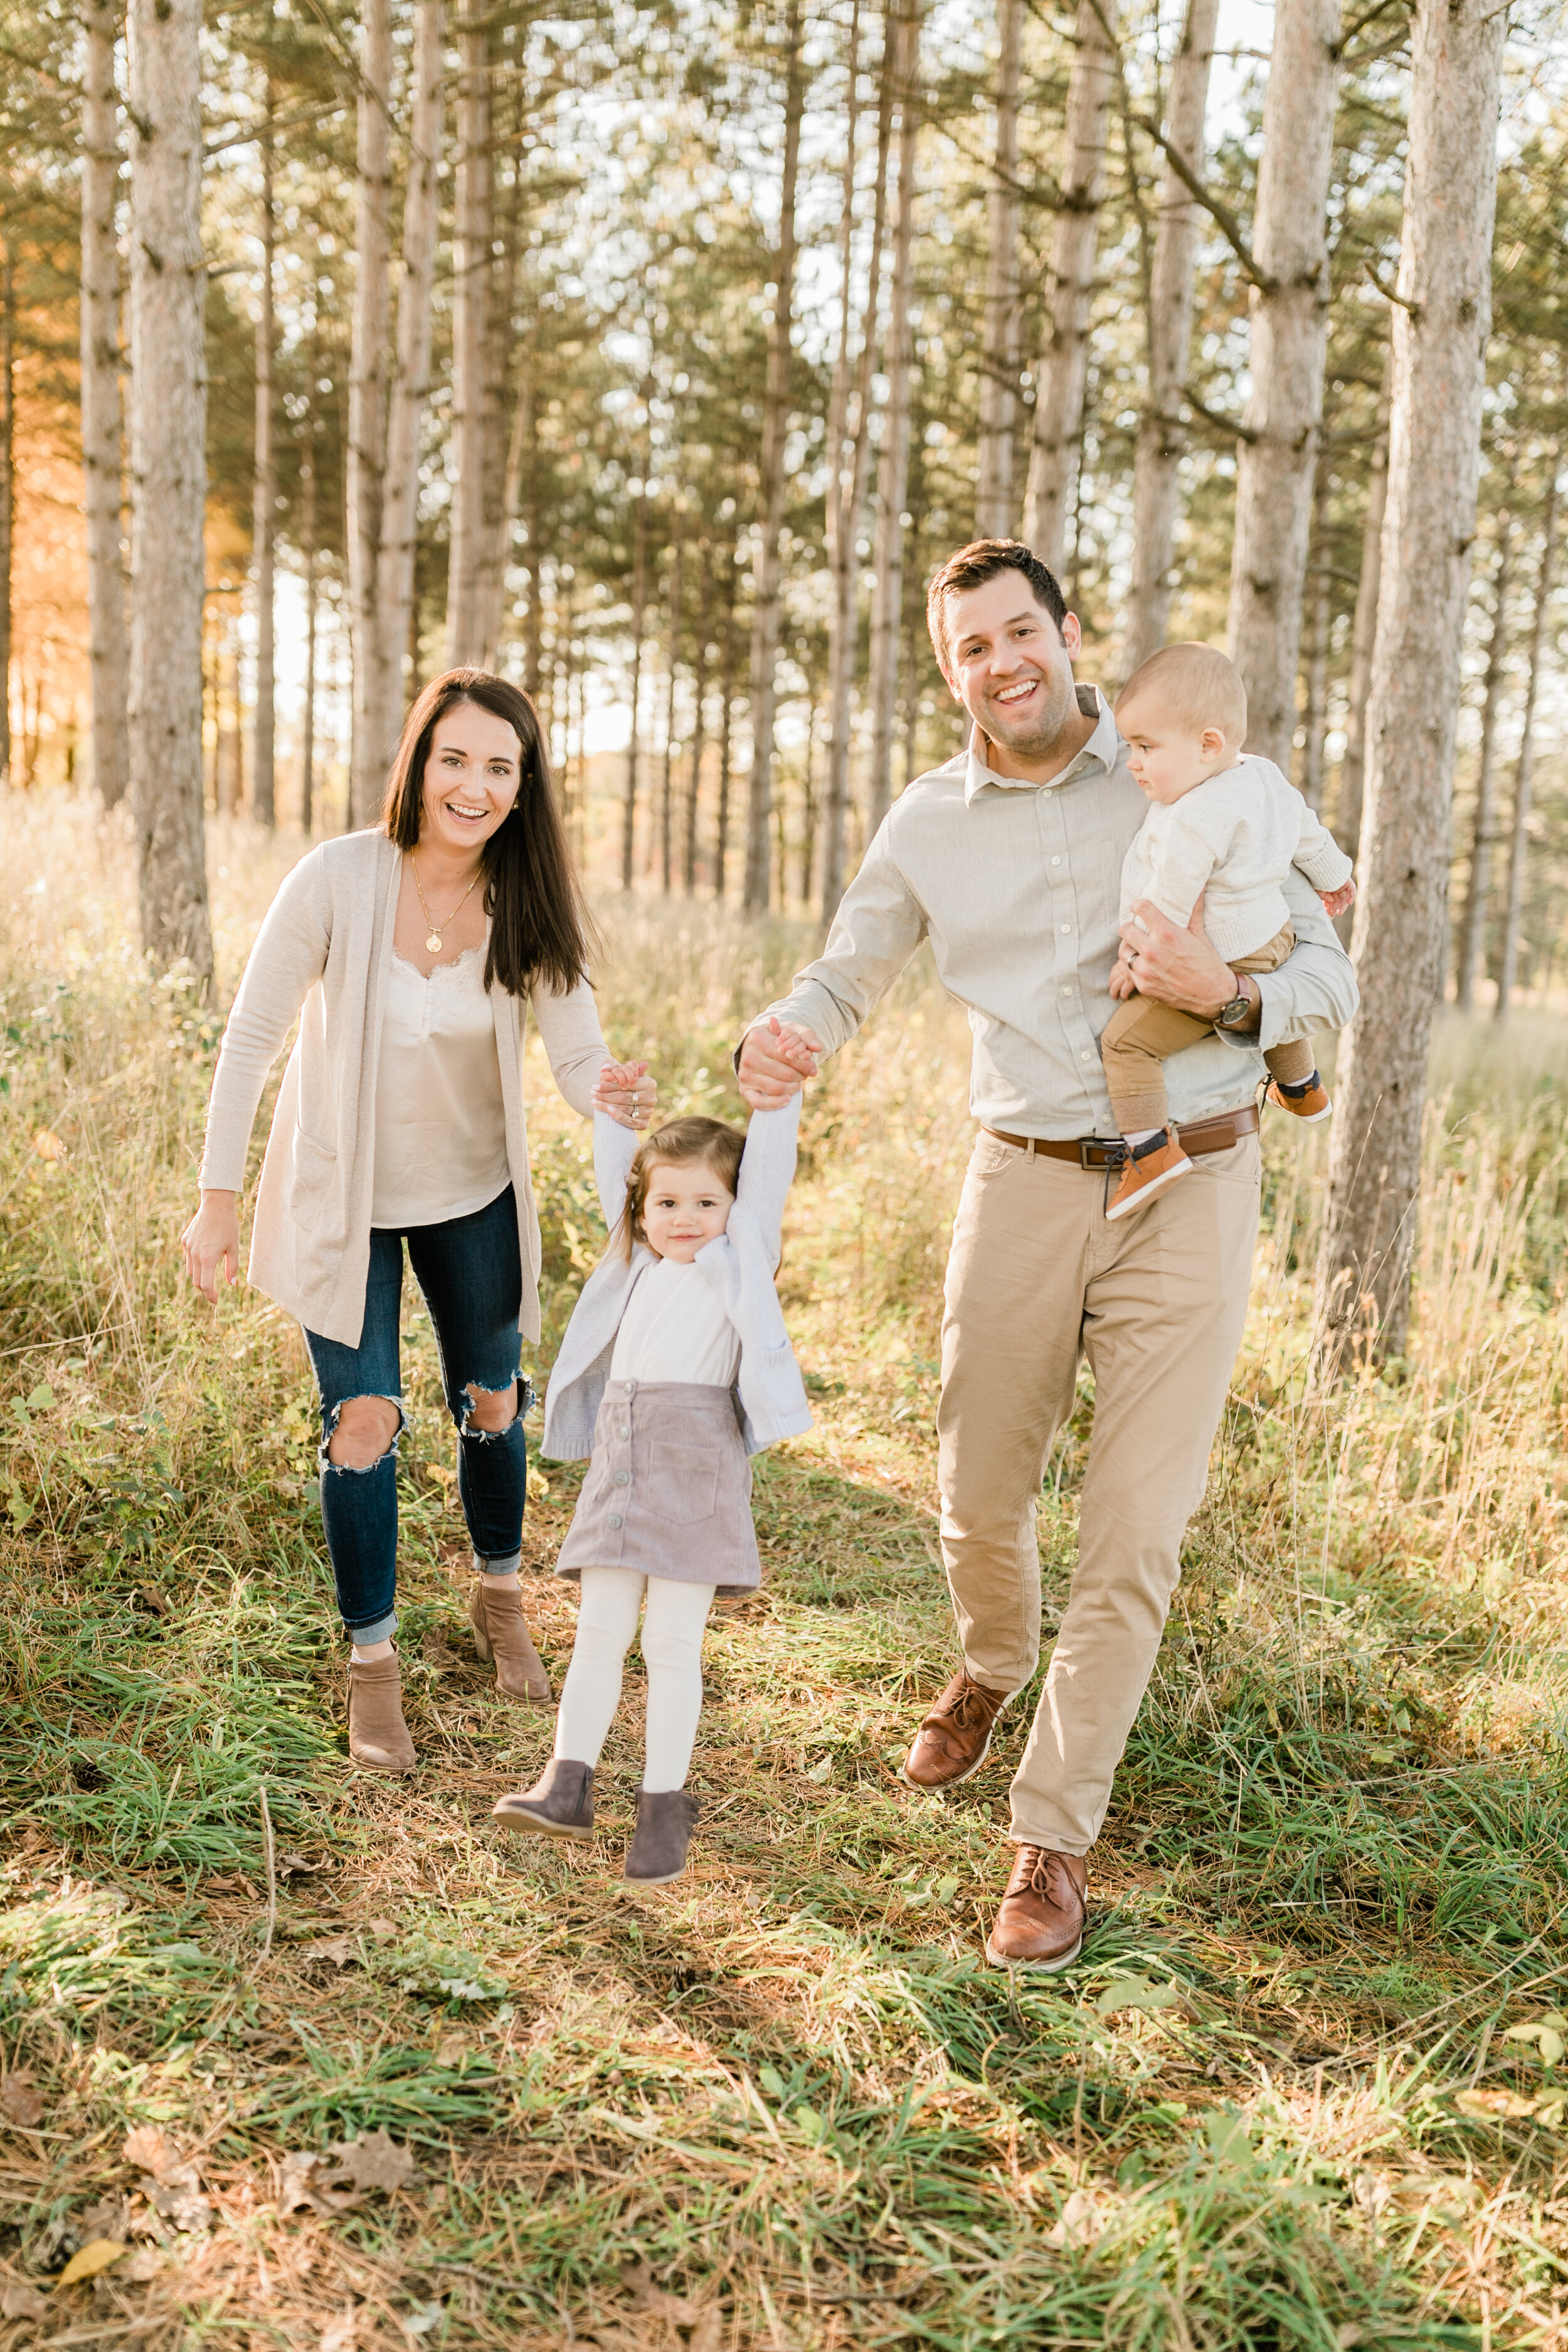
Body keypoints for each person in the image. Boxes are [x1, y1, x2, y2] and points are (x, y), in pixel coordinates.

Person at [736, 540, 1357, 1971]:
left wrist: (1236, 994)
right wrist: (792, 1032)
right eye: (973, 646)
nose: (1003, 662)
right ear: (948, 666)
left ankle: (1049, 1835)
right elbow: (848, 968)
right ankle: (990, 1661)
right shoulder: (928, 819)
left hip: (1191, 1183)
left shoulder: (1182, 767)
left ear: (1066, 630)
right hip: (1016, 1181)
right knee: (975, 1487)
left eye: (1023, 630)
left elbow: (1331, 952)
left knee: (1133, 1533)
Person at [181, 669, 655, 1776]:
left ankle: (500, 1593)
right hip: (342, 1200)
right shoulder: (339, 879)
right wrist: (218, 1198)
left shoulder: (527, 901)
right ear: (419, 764)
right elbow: (249, 1039)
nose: (474, 786)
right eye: (455, 760)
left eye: (500, 767)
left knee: (493, 1402)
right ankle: (373, 1666)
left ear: (523, 785)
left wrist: (609, 1092)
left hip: (471, 1195)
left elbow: (578, 1056)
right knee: (365, 1422)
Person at [493, 1053, 812, 1885]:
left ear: (735, 1210)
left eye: (707, 1202)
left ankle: (663, 1809)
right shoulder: (632, 1264)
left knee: (671, 1641)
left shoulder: (737, 1267)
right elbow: (618, 1177)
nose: (685, 1217)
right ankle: (567, 1783)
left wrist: (778, 1104)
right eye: (668, 1202)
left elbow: (766, 1181)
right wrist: (613, 1113)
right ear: (644, 1209)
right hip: (623, 1466)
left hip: (695, 1470)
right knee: (599, 1629)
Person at [1099, 641, 1357, 1219]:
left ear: (1207, 744)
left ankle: (1149, 1151)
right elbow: (1308, 834)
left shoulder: (1193, 816)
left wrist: (1132, 960)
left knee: (1125, 1043)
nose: (1133, 762)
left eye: (1145, 748)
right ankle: (1303, 1087)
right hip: (1274, 939)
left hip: (1223, 955)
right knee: (1273, 1006)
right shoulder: (1263, 776)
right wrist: (1337, 877)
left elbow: (1169, 901)